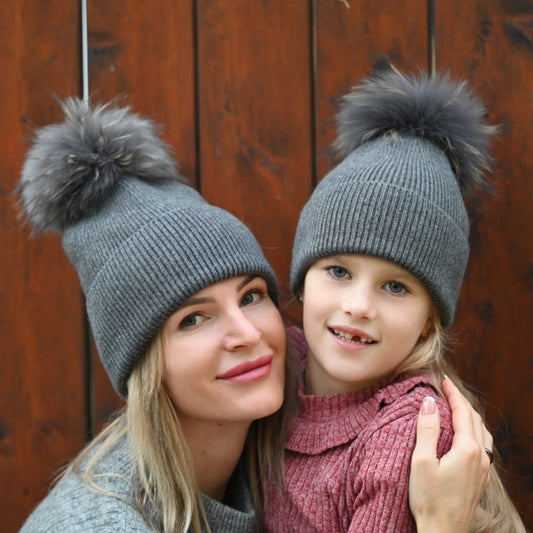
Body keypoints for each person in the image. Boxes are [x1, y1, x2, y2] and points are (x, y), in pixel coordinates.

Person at [16, 97, 493, 533]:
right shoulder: (105, 522)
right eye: (192, 319)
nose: (247, 334)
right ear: (142, 362)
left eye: (249, 297)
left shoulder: (312, 417)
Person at [263, 65, 526, 532]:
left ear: (429, 321)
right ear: (304, 279)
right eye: (339, 271)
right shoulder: (280, 370)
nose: (359, 305)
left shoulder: (406, 433)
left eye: (396, 286)